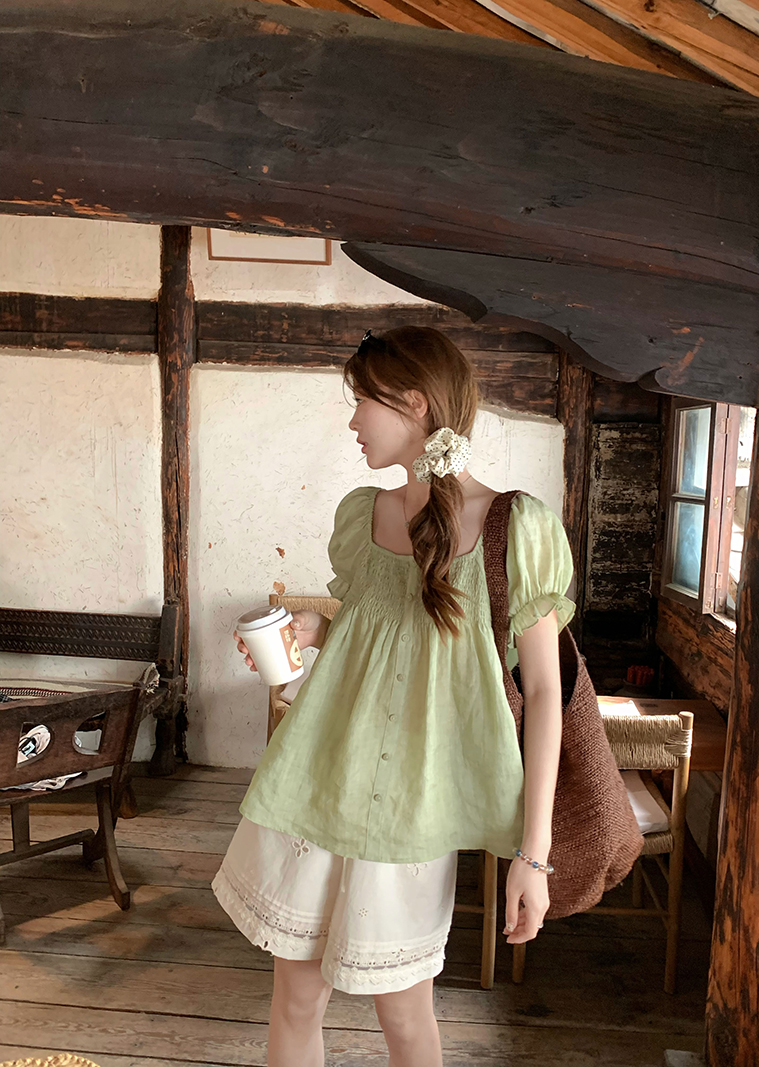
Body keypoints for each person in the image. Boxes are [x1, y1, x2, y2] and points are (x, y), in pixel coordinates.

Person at [213, 326, 575, 1067]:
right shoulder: (365, 515)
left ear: (414, 403)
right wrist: (317, 630)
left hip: (414, 811)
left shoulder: (517, 529)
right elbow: (386, 636)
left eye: (363, 402)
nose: (352, 421)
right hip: (317, 788)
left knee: (405, 1018)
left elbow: (545, 693)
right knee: (295, 1002)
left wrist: (533, 858)